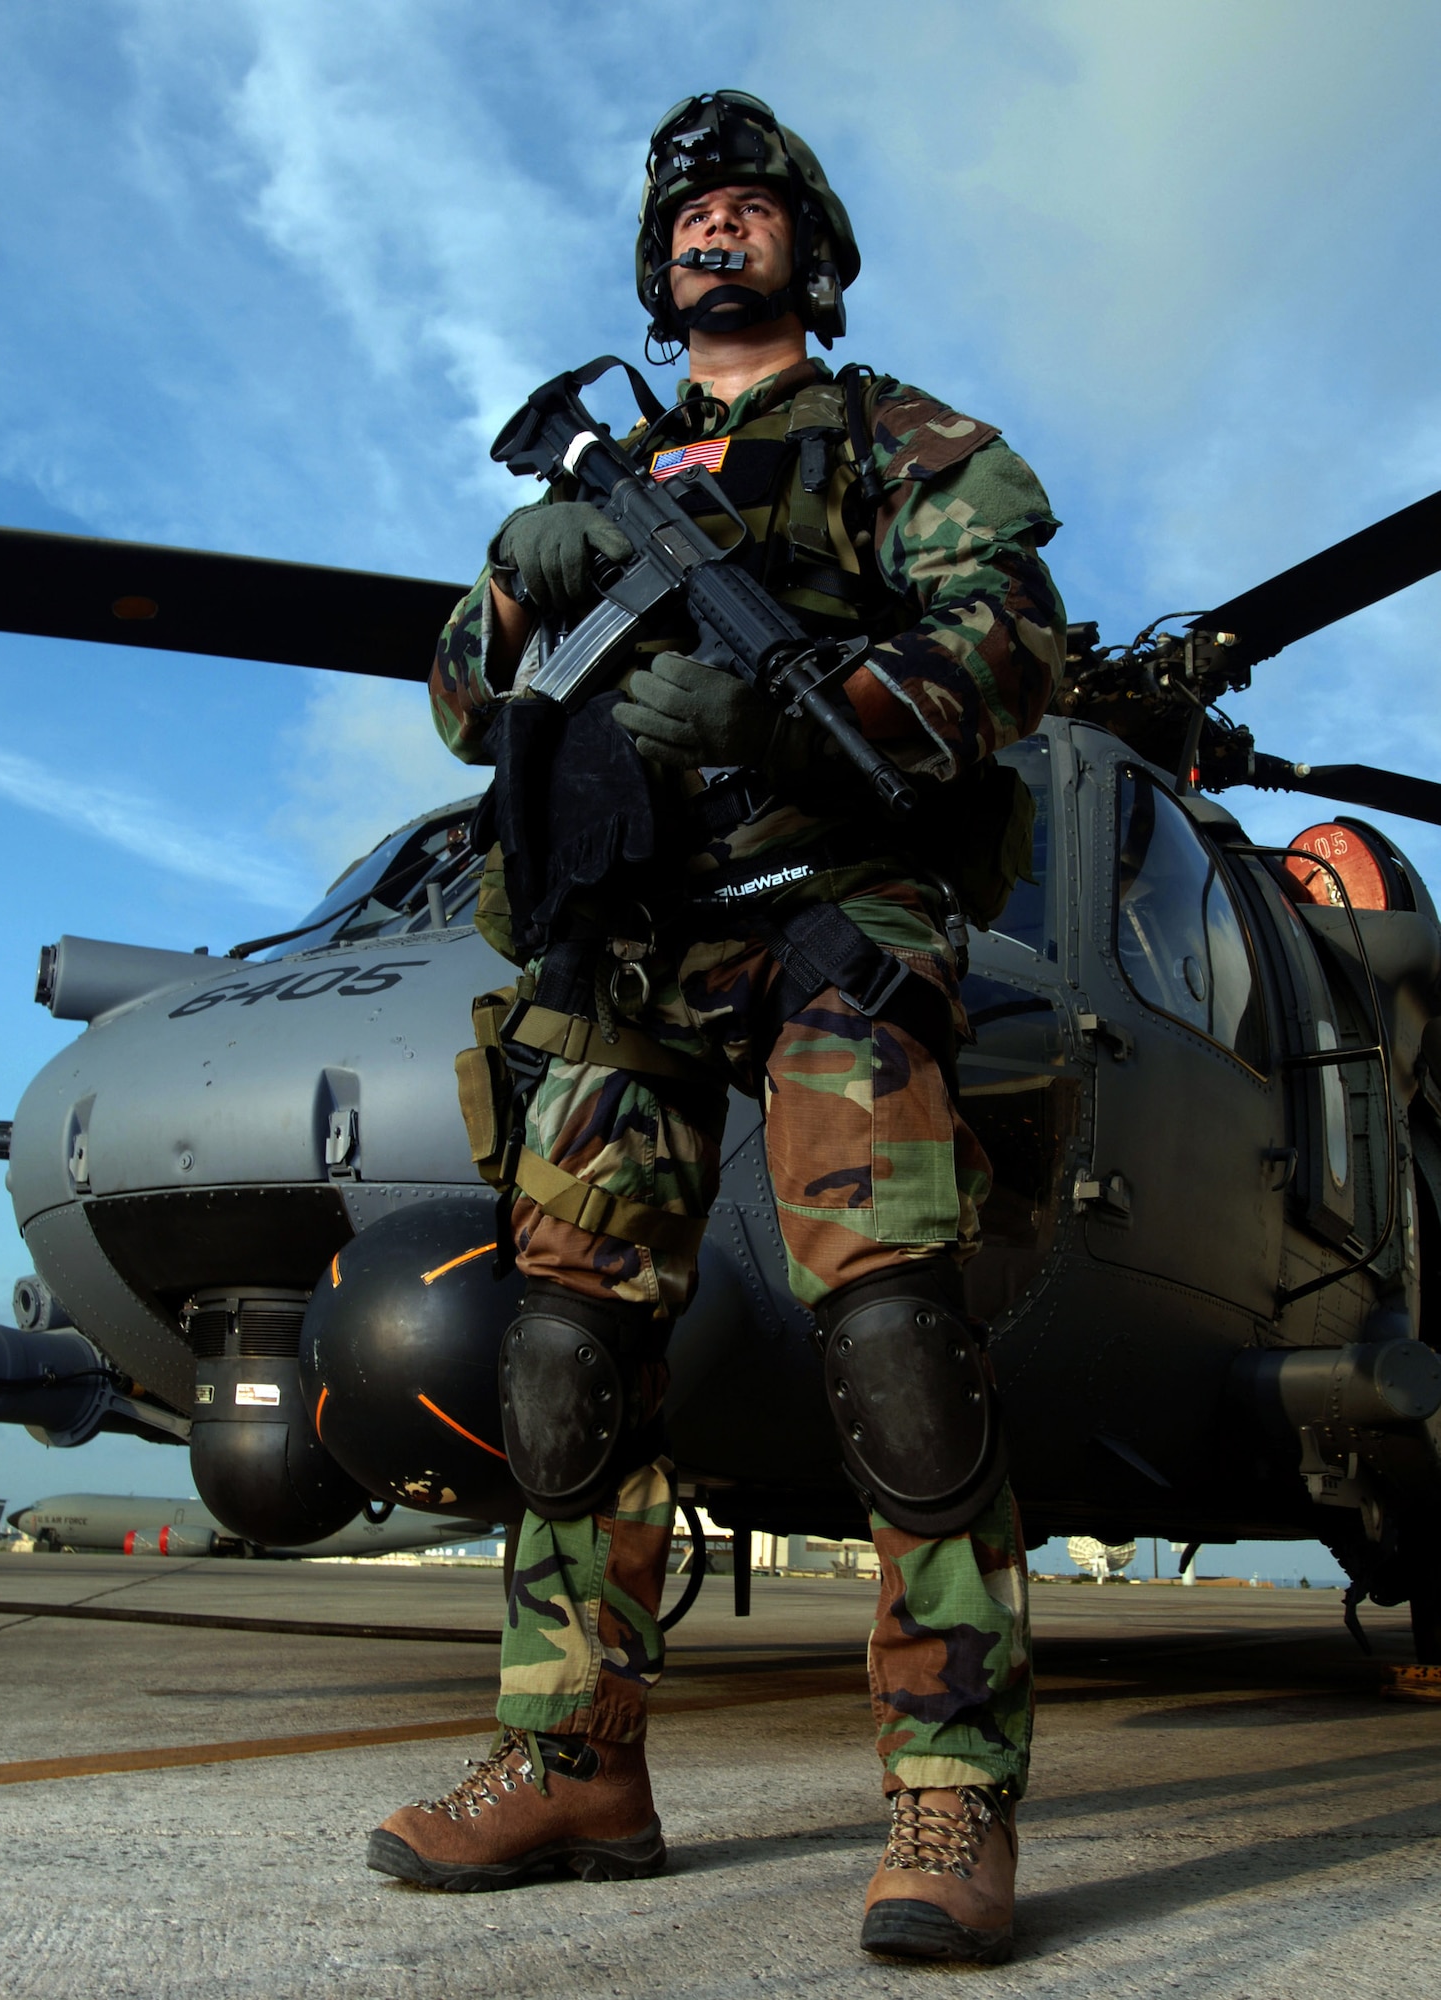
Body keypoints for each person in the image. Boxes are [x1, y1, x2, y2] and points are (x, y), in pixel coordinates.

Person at [368, 90, 1065, 1966]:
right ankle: (571, 1755)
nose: (713, 228)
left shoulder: (903, 440)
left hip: (833, 916)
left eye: (750, 207)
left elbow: (1014, 644)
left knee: (898, 1338)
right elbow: (459, 696)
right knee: (562, 1360)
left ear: (807, 254)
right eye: (688, 213)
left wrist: (790, 706)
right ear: (653, 267)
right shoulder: (586, 488)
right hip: (626, 951)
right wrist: (536, 572)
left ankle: (949, 1782)